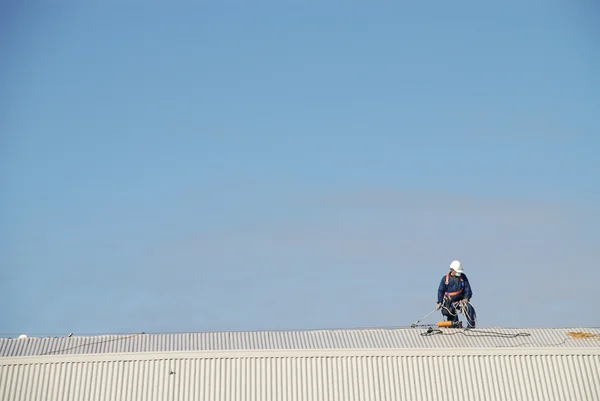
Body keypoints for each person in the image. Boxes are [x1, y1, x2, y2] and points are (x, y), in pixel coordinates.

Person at [436, 260, 477, 328]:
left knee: (469, 308)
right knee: (451, 313)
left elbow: (467, 289)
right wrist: (440, 302)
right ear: (452, 270)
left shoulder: (463, 278)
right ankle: (455, 328)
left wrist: (466, 298)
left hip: (460, 301)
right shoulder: (445, 279)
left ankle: (471, 327)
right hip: (449, 302)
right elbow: (440, 291)